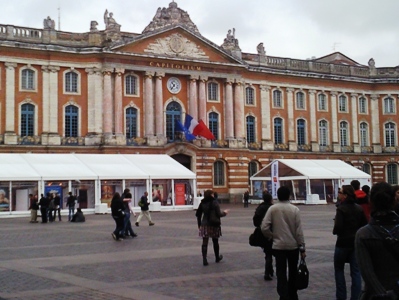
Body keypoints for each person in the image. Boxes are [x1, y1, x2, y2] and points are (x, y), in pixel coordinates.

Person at [355, 182, 399, 300]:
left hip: (375, 295)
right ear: (394, 200)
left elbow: (367, 273)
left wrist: (384, 295)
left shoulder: (363, 234)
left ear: (371, 202)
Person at [261, 186, 306, 300]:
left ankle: (283, 295)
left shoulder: (273, 209)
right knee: (292, 270)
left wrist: (272, 236)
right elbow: (299, 231)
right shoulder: (295, 209)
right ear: (289, 196)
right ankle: (292, 294)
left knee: (280, 272)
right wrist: (302, 247)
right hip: (293, 246)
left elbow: (264, 227)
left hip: (278, 245)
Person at [333, 185, 368, 300]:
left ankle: (341, 297)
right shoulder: (358, 208)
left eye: (340, 192)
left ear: (345, 195)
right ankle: (356, 297)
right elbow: (364, 224)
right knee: (356, 272)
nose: (339, 194)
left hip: (342, 243)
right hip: (355, 243)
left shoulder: (341, 209)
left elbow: (338, 226)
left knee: (339, 270)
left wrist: (335, 230)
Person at [195, 189, 229, 266]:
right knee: (215, 241)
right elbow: (219, 214)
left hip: (205, 224)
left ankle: (204, 259)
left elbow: (198, 214)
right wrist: (225, 213)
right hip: (214, 224)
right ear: (211, 195)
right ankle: (217, 257)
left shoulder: (202, 203)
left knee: (205, 242)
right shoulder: (214, 202)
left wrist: (199, 225)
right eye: (212, 194)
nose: (214, 195)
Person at [253, 191, 274, 280]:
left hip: (261, 232)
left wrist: (259, 226)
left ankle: (270, 269)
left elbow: (255, 220)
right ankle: (267, 272)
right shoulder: (272, 208)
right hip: (271, 231)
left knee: (267, 252)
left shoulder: (260, 207)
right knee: (270, 253)